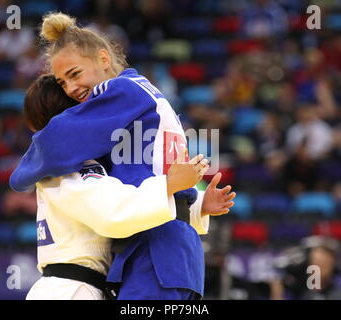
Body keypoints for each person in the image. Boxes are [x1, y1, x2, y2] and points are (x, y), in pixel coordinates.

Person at [10, 12, 235, 299]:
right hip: (172, 249)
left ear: (104, 59)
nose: (72, 88)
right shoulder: (145, 101)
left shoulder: (121, 90)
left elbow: (57, 141)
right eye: (63, 83)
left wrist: (25, 172)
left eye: (75, 74)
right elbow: (156, 178)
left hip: (155, 248)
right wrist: (198, 203)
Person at [22, 74, 213, 300]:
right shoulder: (69, 166)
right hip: (72, 290)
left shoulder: (59, 162)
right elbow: (111, 213)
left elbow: (124, 192)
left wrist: (196, 205)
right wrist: (169, 185)